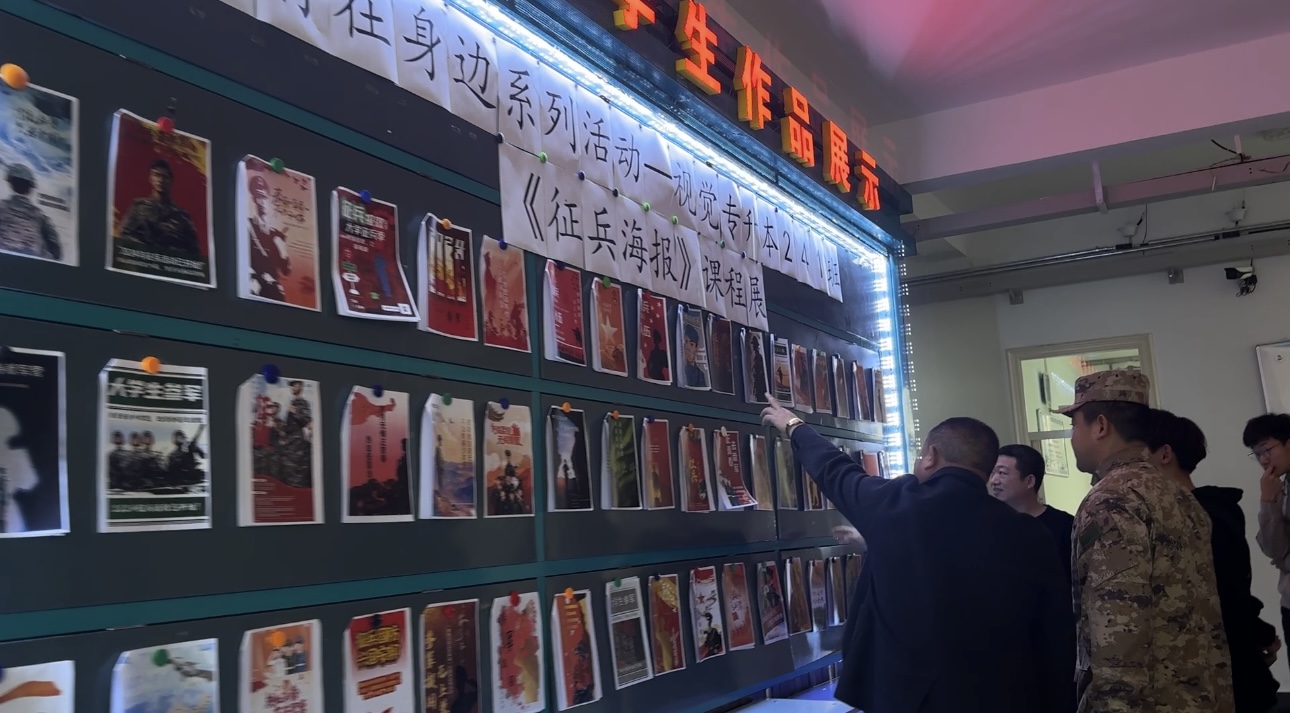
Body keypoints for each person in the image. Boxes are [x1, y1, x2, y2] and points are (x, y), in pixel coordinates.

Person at [761, 393, 1073, 712]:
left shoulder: (896, 505)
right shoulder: (1029, 533)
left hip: (905, 699)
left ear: (930, 457)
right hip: (1001, 698)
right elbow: (1055, 631)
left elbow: (836, 471)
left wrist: (794, 425)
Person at [1059, 370, 1234, 712]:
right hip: (1199, 697)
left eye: (1074, 424)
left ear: (1100, 425)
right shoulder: (1178, 495)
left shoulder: (1112, 499)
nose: (1073, 437)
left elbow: (1117, 626)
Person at [1149, 410, 1279, 713]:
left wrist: (1258, 634)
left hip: (1222, 673)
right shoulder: (1208, 510)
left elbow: (1228, 589)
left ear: (1165, 454)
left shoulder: (1202, 513)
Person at [1245, 413, 1290, 680]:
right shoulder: (1280, 489)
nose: (1263, 460)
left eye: (1266, 450)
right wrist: (1268, 502)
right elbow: (1273, 549)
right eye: (1257, 454)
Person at [989, 444, 1074, 582]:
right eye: (992, 473)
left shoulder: (1065, 526)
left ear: (1029, 481)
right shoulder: (989, 524)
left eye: (1002, 473)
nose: (994, 481)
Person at [117, 158, 200, 255]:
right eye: (156, 175)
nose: (160, 180)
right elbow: (124, 235)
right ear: (150, 178)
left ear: (170, 180)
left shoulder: (182, 216)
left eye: (164, 176)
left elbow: (194, 251)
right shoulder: (138, 207)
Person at [0, 163, 61, 260]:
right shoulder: (39, 216)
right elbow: (55, 247)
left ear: (11, 184)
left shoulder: (2, 207)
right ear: (29, 189)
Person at [682, 323, 708, 388]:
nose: (687, 347)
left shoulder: (700, 375)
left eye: (691, 344)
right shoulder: (681, 370)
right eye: (686, 342)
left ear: (696, 348)